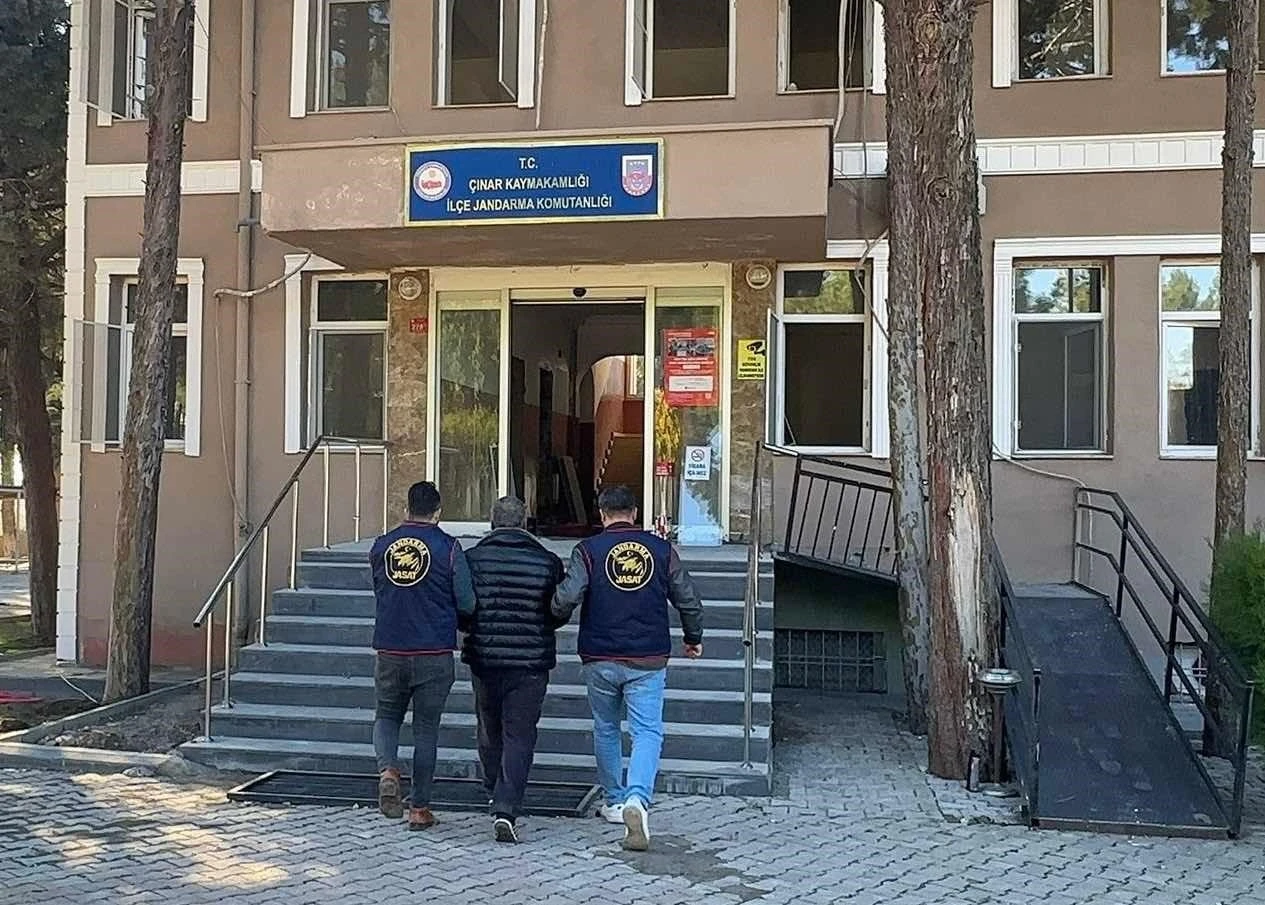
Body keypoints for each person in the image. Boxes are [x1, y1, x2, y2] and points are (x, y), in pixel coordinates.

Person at [551, 485, 703, 852]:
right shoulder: (662, 550)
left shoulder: (588, 551)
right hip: (648, 656)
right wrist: (692, 637)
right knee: (647, 731)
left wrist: (551, 616)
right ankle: (638, 797)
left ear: (602, 514)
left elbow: (567, 597)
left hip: (599, 654)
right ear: (634, 513)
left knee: (606, 727)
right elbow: (688, 598)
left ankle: (614, 801)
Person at [370, 481, 474, 830]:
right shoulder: (449, 548)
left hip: (390, 648)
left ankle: (388, 770)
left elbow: (380, 589)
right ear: (438, 513)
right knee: (426, 730)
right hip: (433, 650)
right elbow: (467, 602)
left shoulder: (382, 546)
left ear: (406, 509)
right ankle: (419, 809)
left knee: (387, 716)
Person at [462, 497, 566, 844]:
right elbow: (558, 610)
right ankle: (506, 807)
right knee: (519, 735)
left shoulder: (472, 559)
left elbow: (464, 607)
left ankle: (494, 789)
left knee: (489, 728)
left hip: (484, 657)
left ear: (492, 522)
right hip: (531, 662)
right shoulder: (547, 561)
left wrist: (471, 629)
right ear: (524, 522)